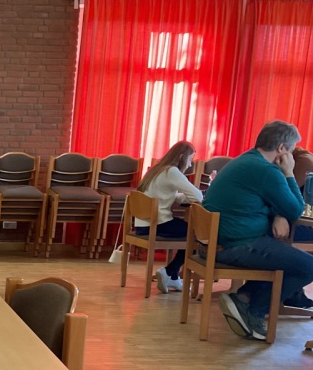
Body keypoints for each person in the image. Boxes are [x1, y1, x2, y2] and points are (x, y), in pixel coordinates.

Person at [202, 120, 313, 340]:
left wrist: (279, 214)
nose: (291, 155)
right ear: (281, 148)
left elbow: (270, 203)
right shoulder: (266, 170)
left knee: (288, 260)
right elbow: (295, 209)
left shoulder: (247, 160)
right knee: (308, 267)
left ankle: (243, 298)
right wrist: (289, 173)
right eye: (291, 150)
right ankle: (254, 312)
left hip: (220, 240)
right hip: (236, 244)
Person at [133, 141, 203, 294]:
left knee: (191, 232)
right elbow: (198, 196)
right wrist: (199, 195)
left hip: (142, 224)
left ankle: (173, 276)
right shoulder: (172, 171)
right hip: (158, 224)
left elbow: (165, 195)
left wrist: (184, 197)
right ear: (182, 157)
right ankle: (170, 272)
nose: (190, 164)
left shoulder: (158, 169)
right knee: (199, 235)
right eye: (190, 159)